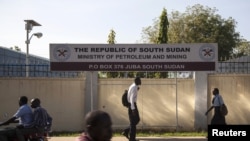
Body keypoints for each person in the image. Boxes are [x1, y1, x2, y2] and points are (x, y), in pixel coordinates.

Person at [122, 77, 141, 141]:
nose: (141, 81)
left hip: (132, 105)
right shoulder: (134, 87)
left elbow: (130, 94)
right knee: (133, 123)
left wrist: (136, 89)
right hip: (132, 105)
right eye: (139, 80)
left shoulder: (133, 86)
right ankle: (132, 139)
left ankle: (126, 131)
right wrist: (133, 109)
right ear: (136, 81)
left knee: (136, 120)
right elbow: (131, 99)